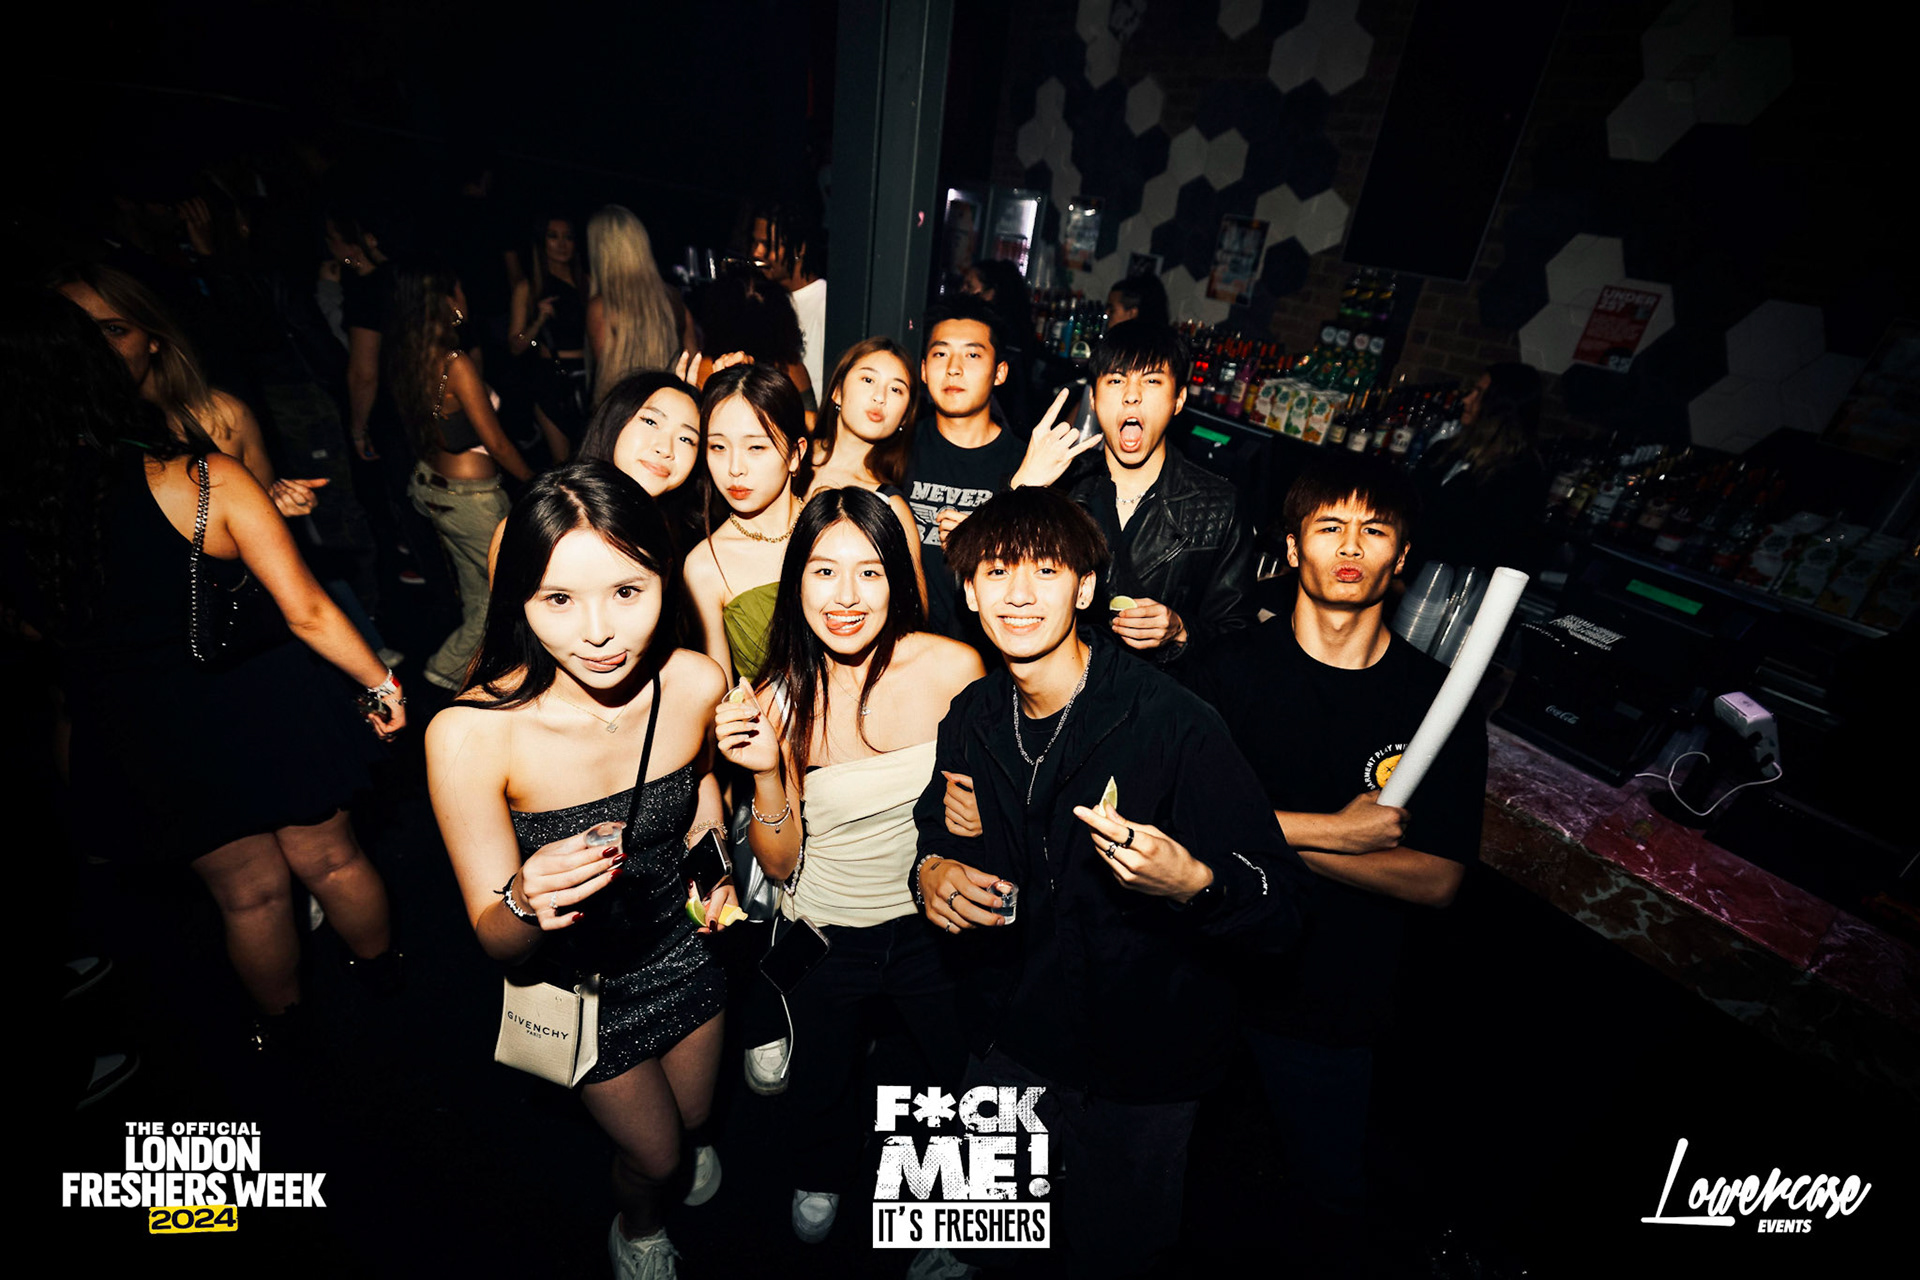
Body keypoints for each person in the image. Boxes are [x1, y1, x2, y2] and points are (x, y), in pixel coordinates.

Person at [910, 486, 1309, 1278]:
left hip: (1142, 1059)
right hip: (1008, 1029)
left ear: (1086, 588)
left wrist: (1196, 884)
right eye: (997, 572)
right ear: (969, 592)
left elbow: (1284, 908)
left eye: (1046, 570)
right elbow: (939, 817)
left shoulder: (1174, 722)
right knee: (968, 1239)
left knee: (1112, 1254)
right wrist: (931, 867)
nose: (1019, 594)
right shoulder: (973, 713)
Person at [2, 286, 404, 1047]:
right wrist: (380, 684)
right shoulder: (196, 476)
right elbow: (307, 609)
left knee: (247, 899)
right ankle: (386, 983)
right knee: (332, 861)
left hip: (150, 726)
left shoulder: (21, 508)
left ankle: (284, 1037)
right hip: (264, 699)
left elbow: (34, 629)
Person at [426, 462, 738, 1280]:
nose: (598, 631)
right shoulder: (471, 735)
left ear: (664, 581)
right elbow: (496, 942)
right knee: (656, 1156)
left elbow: (702, 798)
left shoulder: (696, 682)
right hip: (582, 992)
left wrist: (717, 883)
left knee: (695, 1118)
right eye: (558, 599)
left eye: (627, 591)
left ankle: (673, 1159)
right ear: (519, 603)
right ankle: (640, 1225)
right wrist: (524, 900)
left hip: (688, 950)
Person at [1178, 451, 1486, 1272]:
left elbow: (1437, 878)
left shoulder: (1437, 700)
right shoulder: (1223, 672)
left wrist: (1264, 837)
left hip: (1336, 994)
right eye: (1329, 526)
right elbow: (1173, 822)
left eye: (1374, 530)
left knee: (1328, 1202)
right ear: (1290, 548)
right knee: (1178, 1187)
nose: (1351, 546)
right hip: (1206, 971)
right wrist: (1337, 834)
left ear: (1403, 557)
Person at [714, 487, 980, 1244]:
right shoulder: (776, 698)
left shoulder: (953, 667)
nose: (846, 597)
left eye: (869, 572)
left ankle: (959, 1225)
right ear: (796, 580)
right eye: (824, 572)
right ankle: (820, 1170)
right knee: (823, 1081)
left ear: (897, 579)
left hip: (936, 925)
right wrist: (767, 772)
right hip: (827, 931)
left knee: (965, 1078)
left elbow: (986, 805)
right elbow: (780, 864)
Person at [53, 262, 324, 519]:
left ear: (153, 339)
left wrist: (273, 509)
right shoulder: (53, 434)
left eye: (114, 329)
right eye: (75, 333)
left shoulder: (218, 418)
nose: (95, 347)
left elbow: (259, 536)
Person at [1053, 320, 1256, 662]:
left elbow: (1239, 638)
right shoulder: (1060, 486)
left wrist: (1181, 631)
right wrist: (1022, 487)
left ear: (1179, 399)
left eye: (1151, 381)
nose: (1132, 395)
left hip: (1159, 690)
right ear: (1094, 398)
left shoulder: (1218, 506)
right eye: (1116, 380)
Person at [901, 295, 1087, 648]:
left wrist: (981, 534)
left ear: (999, 372)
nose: (954, 368)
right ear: (923, 370)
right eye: (940, 354)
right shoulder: (897, 451)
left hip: (990, 653)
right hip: (902, 648)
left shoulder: (1029, 465)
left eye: (972, 355)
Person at [386, 263, 535, 690]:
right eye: (461, 291)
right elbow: (498, 444)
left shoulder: (409, 355)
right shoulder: (456, 364)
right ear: (448, 301)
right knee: (519, 592)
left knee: (480, 598)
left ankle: (447, 674)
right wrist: (538, 482)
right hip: (472, 500)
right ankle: (491, 681)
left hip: (434, 488)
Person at [683, 364, 810, 685]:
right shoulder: (705, 565)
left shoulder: (835, 529)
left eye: (756, 447)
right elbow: (721, 692)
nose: (734, 468)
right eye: (718, 447)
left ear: (795, 454)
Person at [803, 336, 929, 605]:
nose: (879, 397)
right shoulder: (787, 458)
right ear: (837, 391)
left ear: (905, 416)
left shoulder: (889, 506)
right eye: (868, 379)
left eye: (896, 390)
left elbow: (915, 609)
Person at [1406, 361, 1548, 579]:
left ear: (1501, 407)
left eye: (1479, 393)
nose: (1466, 399)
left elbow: (1481, 549)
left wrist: (1410, 578)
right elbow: (1409, 506)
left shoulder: (1519, 476)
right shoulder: (1444, 451)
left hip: (1444, 586)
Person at [511, 213, 591, 461]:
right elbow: (515, 345)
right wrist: (538, 320)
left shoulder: (588, 283)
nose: (562, 244)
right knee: (564, 462)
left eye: (568, 237)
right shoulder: (530, 287)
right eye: (553, 236)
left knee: (590, 455)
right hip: (552, 378)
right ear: (542, 242)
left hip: (589, 374)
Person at [587, 205, 683, 403]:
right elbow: (693, 356)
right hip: (669, 403)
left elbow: (607, 379)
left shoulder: (602, 307)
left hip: (624, 409)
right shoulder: (672, 298)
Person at [749, 196, 828, 396]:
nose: (757, 252)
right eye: (754, 242)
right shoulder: (764, 299)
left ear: (798, 249)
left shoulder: (823, 301)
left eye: (768, 245)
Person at [960, 257, 1035, 429]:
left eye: (969, 286)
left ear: (990, 293)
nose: (962, 290)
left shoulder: (996, 331)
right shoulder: (1013, 325)